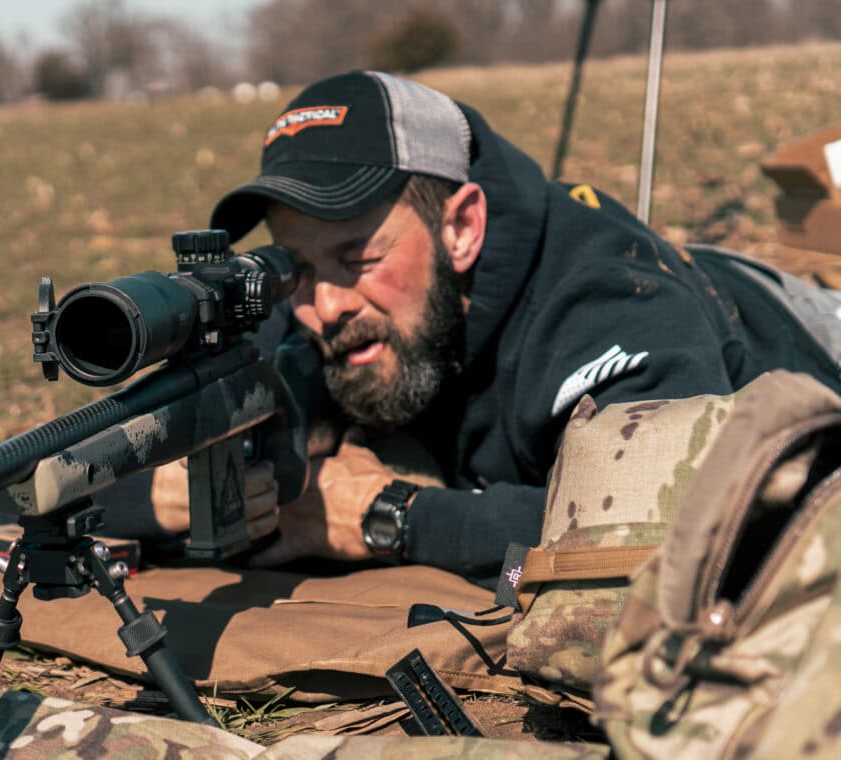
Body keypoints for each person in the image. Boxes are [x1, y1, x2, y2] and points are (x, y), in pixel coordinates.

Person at [139, 70, 841, 585]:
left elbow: (685, 527)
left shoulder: (604, 301)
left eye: (361, 257)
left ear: (462, 227)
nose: (326, 306)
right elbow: (77, 465)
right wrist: (166, 495)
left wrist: (392, 516)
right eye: (295, 265)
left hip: (789, 323)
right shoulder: (318, 300)